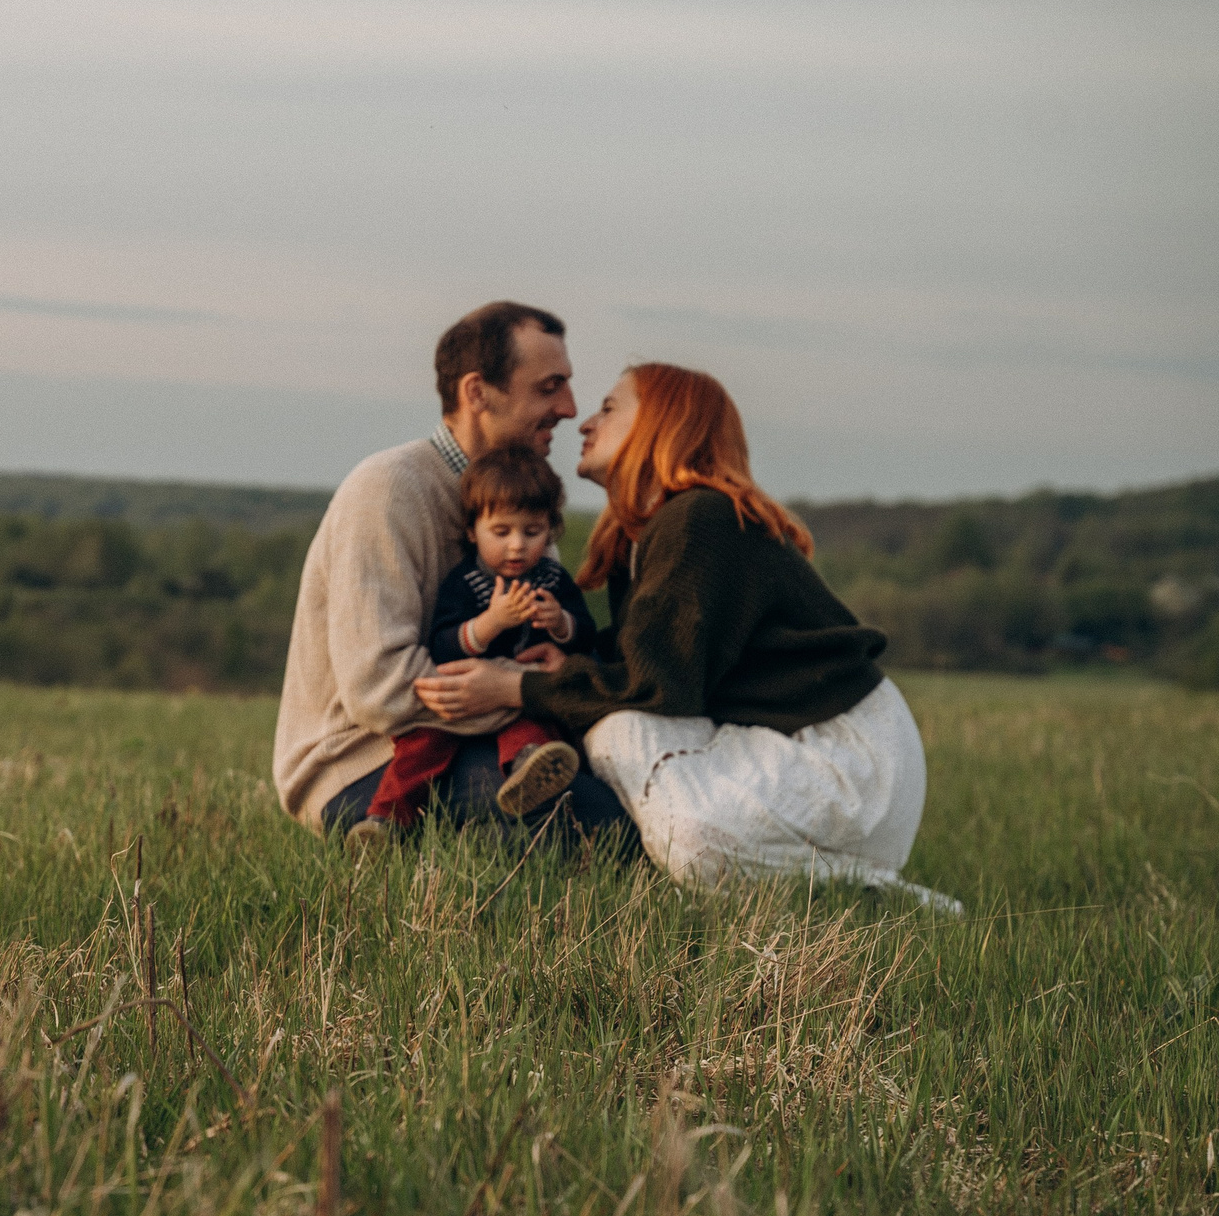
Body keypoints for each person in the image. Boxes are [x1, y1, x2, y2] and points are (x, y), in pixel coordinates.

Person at [414, 362, 957, 909]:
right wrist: (562, 664)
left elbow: (657, 688)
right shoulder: (650, 532)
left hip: (842, 761)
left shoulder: (701, 518)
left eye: (608, 408)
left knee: (621, 737)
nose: (584, 423)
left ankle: (870, 894)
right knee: (620, 737)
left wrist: (513, 687)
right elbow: (652, 660)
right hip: (801, 747)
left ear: (662, 421)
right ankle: (761, 880)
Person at [272, 300, 634, 845]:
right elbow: (381, 689)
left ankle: (463, 852)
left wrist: (547, 677)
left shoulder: (519, 501)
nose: (569, 407)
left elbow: (539, 653)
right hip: (361, 761)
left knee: (629, 791)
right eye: (548, 387)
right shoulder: (388, 489)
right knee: (603, 825)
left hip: (490, 739)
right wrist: (516, 692)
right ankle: (410, 850)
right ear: (476, 393)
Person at [351, 445, 598, 838]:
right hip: (461, 706)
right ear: (472, 531)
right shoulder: (466, 582)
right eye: (501, 532)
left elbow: (586, 635)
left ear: (550, 529)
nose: (517, 545)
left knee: (536, 727)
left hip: (517, 699)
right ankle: (385, 820)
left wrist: (562, 623)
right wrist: (490, 623)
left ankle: (528, 776)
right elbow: (443, 644)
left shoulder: (552, 580)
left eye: (532, 532)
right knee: (421, 747)